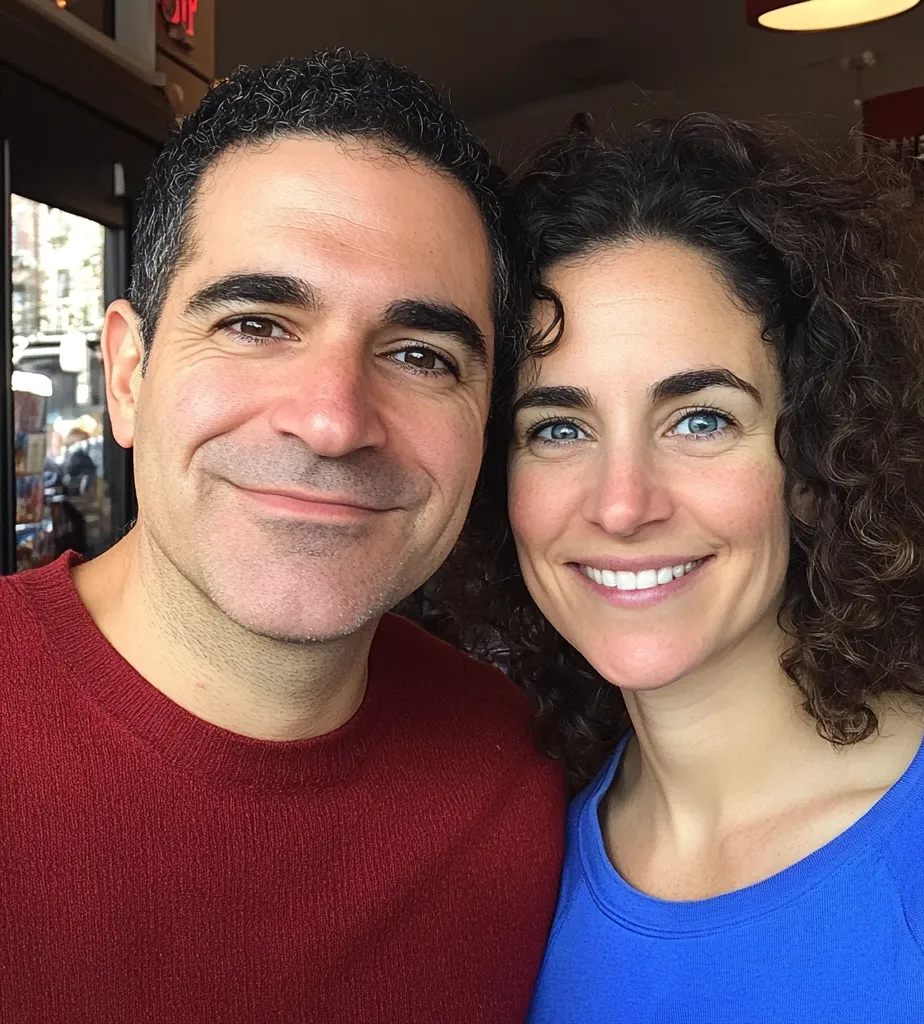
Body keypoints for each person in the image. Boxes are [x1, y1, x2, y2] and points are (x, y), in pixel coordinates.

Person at [0, 50, 565, 1023]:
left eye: (421, 354)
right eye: (257, 323)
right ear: (127, 374)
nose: (334, 420)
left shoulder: (521, 772)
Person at [428, 116, 924, 1022]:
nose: (622, 504)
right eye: (558, 427)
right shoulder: (516, 860)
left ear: (823, 457)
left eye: (699, 419)